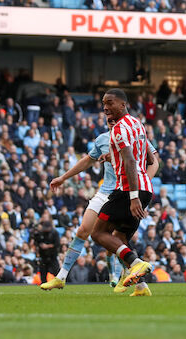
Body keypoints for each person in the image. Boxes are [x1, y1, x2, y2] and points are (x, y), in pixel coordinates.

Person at [40, 117, 159, 298]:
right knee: (84, 230)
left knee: (116, 237)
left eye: (114, 119)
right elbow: (87, 160)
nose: (112, 123)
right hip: (105, 192)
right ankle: (61, 277)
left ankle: (136, 281)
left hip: (124, 191)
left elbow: (154, 162)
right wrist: (63, 178)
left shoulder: (134, 135)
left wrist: (140, 185)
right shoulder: (103, 139)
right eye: (108, 120)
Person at [89, 88, 154, 292]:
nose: (105, 107)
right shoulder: (138, 124)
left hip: (128, 190)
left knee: (98, 233)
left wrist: (133, 197)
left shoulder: (117, 129)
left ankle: (136, 264)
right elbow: (150, 159)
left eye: (110, 103)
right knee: (120, 238)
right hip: (145, 189)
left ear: (122, 104)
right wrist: (112, 156)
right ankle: (141, 286)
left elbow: (130, 160)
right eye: (103, 103)